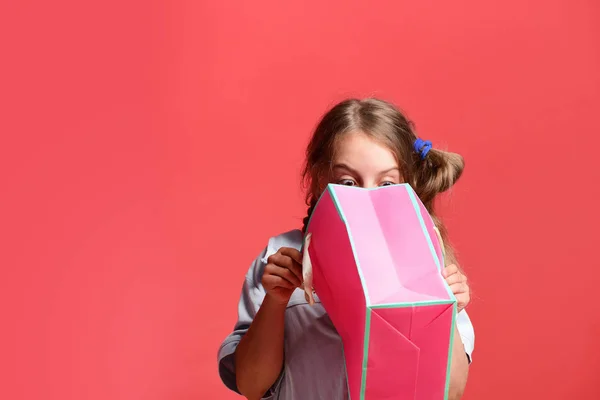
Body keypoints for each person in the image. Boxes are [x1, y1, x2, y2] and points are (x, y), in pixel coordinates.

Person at [217, 98, 474, 400]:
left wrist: (445, 312)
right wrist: (275, 302)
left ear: (408, 185)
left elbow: (451, 392)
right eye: (348, 183)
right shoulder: (281, 257)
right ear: (317, 182)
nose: (366, 198)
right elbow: (251, 385)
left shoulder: (430, 262)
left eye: (387, 184)